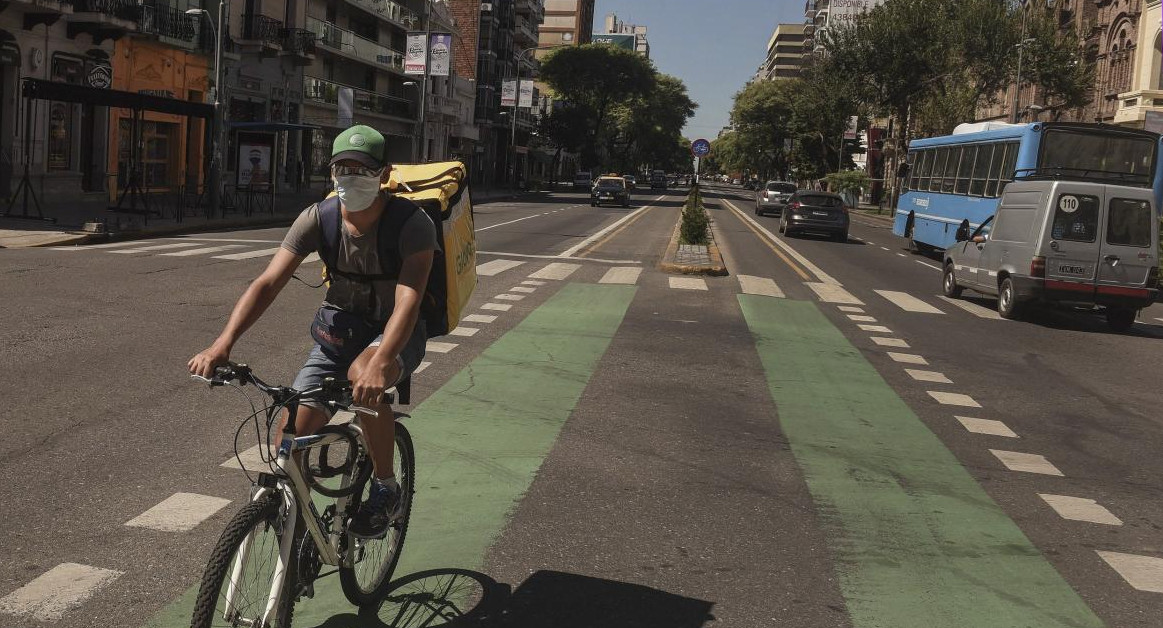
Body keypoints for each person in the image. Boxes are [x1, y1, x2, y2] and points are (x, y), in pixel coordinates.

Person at [189, 125, 438, 539]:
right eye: (343, 167)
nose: (351, 177)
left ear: (384, 174)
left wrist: (380, 363)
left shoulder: (413, 224)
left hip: (397, 331)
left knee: (364, 378)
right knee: (292, 428)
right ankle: (298, 522)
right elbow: (267, 283)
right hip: (340, 330)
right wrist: (222, 344)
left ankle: (384, 487)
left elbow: (408, 301)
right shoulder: (318, 218)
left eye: (362, 169)